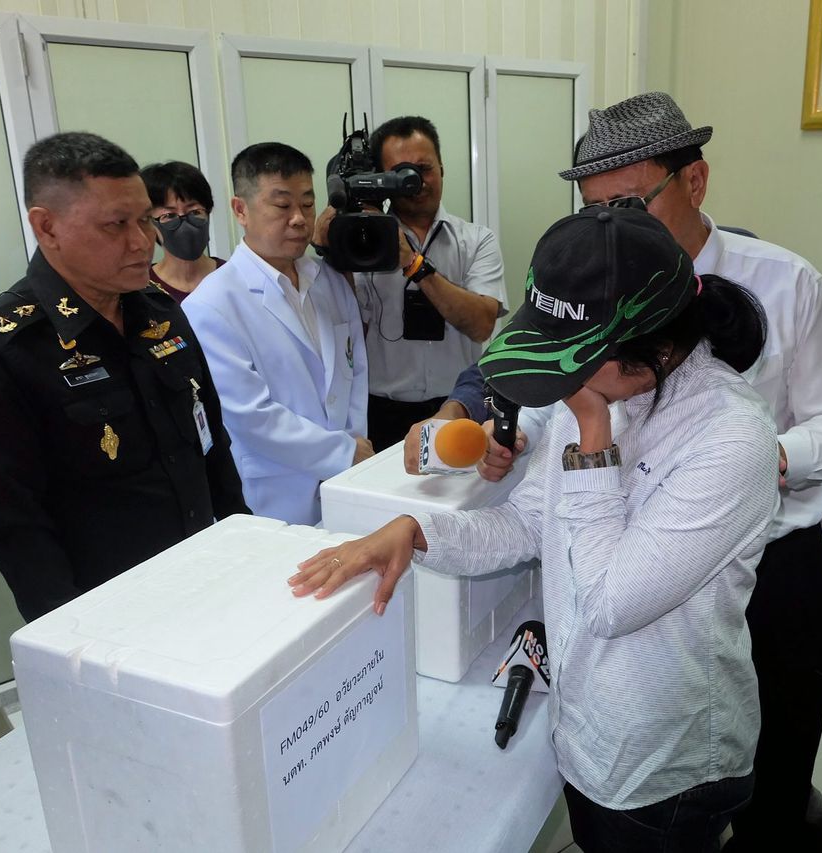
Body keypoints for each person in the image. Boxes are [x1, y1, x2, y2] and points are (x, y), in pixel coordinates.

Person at [290, 207, 778, 853]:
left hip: (665, 761)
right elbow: (529, 522)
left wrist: (594, 437)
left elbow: (607, 604)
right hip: (585, 724)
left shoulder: (730, 437)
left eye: (573, 361)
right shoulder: (599, 390)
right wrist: (418, 529)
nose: (564, 383)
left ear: (652, 350)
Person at [560, 91, 822, 851]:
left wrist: (765, 461)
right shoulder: (594, 285)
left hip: (773, 564)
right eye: (594, 211)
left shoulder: (786, 282)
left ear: (694, 182)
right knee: (668, 780)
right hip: (646, 571)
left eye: (629, 205)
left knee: (778, 771)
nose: (611, 229)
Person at [0, 132, 249, 622]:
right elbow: (15, 527)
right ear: (47, 227)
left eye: (145, 219)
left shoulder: (160, 311)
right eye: (115, 225)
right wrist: (73, 638)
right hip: (112, 615)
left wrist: (245, 542)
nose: (143, 241)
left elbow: (211, 442)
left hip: (210, 577)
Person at [182, 142, 371, 527]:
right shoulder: (211, 304)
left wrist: (354, 448)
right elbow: (249, 416)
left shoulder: (330, 281)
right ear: (241, 210)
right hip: (274, 496)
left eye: (307, 204)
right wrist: (342, 453)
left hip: (348, 482)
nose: (299, 219)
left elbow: (355, 374)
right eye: (282, 205)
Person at [355, 115, 507, 450]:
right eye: (401, 173)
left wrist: (414, 264)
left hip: (460, 405)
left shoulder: (476, 240)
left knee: (465, 485)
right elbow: (346, 338)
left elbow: (482, 325)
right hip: (381, 410)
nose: (416, 182)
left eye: (424, 169)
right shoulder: (363, 248)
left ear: (442, 168)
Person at [140, 160, 225, 303]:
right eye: (169, 215)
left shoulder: (234, 277)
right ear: (150, 223)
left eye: (195, 212)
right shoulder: (142, 289)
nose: (184, 224)